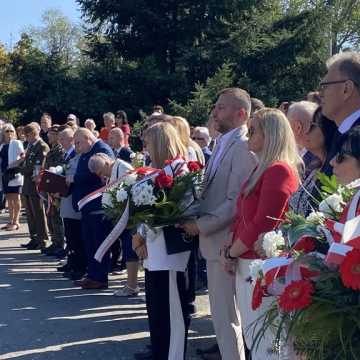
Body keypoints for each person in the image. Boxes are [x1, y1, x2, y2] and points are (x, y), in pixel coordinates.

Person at [182, 88, 257, 360]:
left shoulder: (242, 147)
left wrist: (201, 225)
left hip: (226, 244)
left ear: (241, 114)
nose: (214, 111)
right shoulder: (223, 143)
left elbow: (236, 201)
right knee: (224, 319)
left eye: (221, 107)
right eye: (215, 106)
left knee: (228, 320)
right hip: (218, 245)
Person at [225, 108, 301, 359]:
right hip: (248, 263)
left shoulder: (278, 170)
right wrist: (232, 250)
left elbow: (264, 223)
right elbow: (243, 219)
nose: (248, 135)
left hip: (260, 266)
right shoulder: (263, 169)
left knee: (267, 341)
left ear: (270, 134)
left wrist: (231, 252)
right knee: (255, 336)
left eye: (253, 130)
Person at [132, 122, 191, 360]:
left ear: (160, 143)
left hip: (170, 253)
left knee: (171, 311)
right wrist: (139, 236)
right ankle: (160, 352)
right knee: (156, 309)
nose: (145, 147)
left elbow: (183, 210)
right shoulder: (155, 170)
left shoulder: (179, 170)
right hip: (153, 252)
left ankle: (172, 355)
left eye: (148, 142)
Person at [88, 153, 140, 296]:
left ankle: (132, 285)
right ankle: (131, 284)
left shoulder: (123, 168)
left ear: (106, 163)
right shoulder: (113, 170)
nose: (101, 176)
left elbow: (132, 191)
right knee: (128, 249)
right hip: (121, 217)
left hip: (130, 217)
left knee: (130, 250)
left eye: (100, 172)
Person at [70, 128, 114, 289]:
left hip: (98, 206)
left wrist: (73, 178)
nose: (77, 146)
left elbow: (100, 176)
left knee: (98, 243)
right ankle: (93, 274)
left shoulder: (102, 149)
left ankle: (100, 277)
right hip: (88, 207)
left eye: (78, 142)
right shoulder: (88, 150)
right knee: (90, 243)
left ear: (88, 138)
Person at [289, 107, 337, 215]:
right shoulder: (314, 168)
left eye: (312, 126)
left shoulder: (337, 173)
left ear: (328, 129)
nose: (306, 132)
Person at [321, 51, 360, 174]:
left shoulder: (356, 139)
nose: (320, 94)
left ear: (346, 89)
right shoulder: (340, 132)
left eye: (325, 86)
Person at [58, 127, 86, 280]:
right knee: (70, 235)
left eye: (63, 139)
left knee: (75, 236)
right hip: (67, 198)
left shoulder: (77, 154)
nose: (60, 142)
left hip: (73, 200)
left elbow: (72, 177)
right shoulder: (70, 155)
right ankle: (72, 262)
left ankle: (78, 266)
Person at [20, 123, 49, 250]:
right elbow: (27, 162)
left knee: (38, 213)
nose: (26, 138)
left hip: (35, 185)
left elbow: (38, 166)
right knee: (31, 215)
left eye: (27, 135)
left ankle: (42, 239)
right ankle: (34, 237)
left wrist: (21, 169)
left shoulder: (41, 146)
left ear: (32, 134)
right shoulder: (31, 146)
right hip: (27, 185)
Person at [42, 125, 66, 257]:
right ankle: (55, 242)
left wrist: (54, 189)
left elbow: (59, 170)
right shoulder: (52, 150)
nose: (48, 136)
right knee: (51, 215)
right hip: (49, 187)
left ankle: (60, 244)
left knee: (57, 217)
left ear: (57, 135)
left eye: (51, 134)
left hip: (56, 188)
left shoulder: (60, 151)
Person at [0, 123, 24, 230]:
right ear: (3, 133)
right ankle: (10, 221)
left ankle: (16, 221)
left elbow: (23, 156)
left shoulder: (17, 142)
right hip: (5, 174)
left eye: (11, 131)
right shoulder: (2, 145)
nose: (9, 133)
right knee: (9, 198)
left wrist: (15, 164)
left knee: (16, 197)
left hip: (15, 174)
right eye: (7, 131)